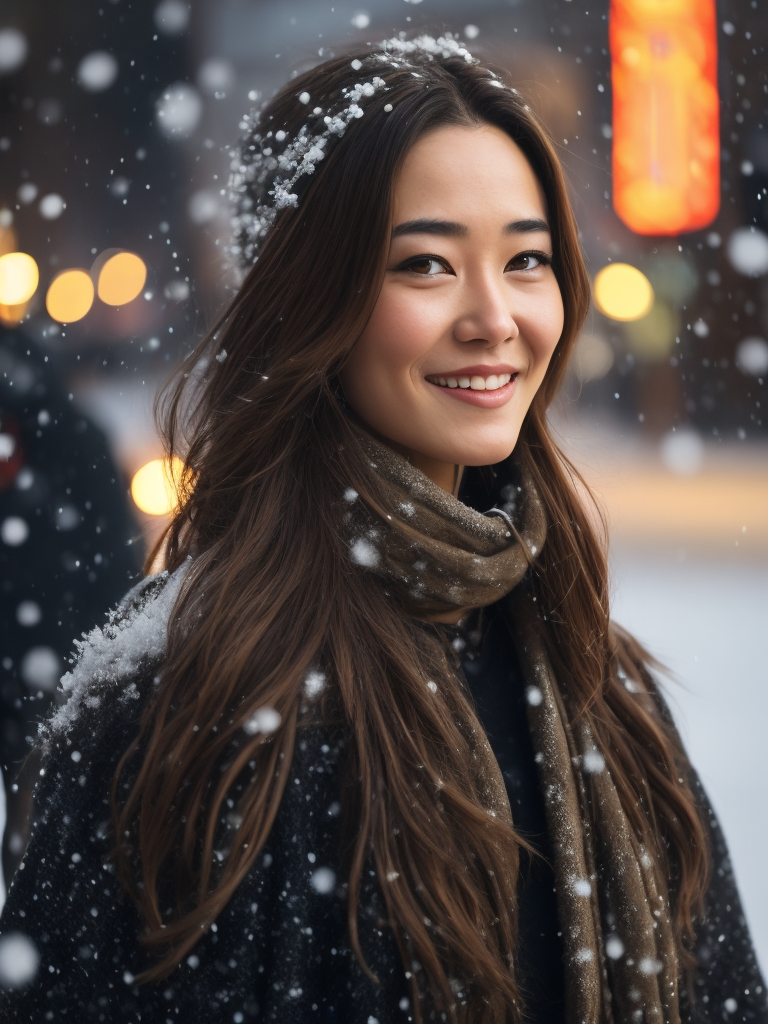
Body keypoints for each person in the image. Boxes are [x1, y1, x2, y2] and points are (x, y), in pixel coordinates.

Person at [0, 34, 764, 1024]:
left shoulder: (600, 687)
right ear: (307, 296)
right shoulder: (175, 710)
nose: (494, 316)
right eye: (427, 264)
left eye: (526, 259)